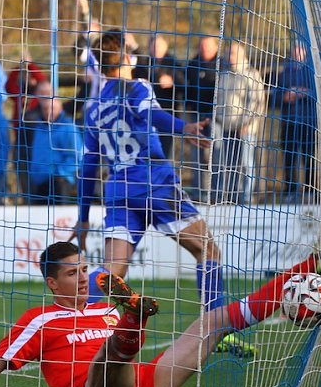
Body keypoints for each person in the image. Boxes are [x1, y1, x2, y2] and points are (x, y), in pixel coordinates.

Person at [0, 241, 321, 387]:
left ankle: (310, 266)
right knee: (111, 351)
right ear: (52, 284)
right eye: (71, 274)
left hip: (147, 386)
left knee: (212, 321)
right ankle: (136, 317)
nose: (81, 278)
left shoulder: (101, 309)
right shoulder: (40, 319)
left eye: (83, 270)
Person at [74, 30, 221, 311]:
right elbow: (150, 114)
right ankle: (216, 327)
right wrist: (183, 127)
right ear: (128, 57)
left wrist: (83, 218)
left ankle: (73, 325)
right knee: (208, 250)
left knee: (110, 273)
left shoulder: (92, 109)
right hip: (154, 181)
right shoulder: (136, 87)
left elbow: (89, 165)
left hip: (119, 190)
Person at [211, 42, 266, 204]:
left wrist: (246, 124)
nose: (231, 57)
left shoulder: (252, 74)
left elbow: (257, 102)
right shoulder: (224, 74)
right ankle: (231, 195)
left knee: (246, 162)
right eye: (229, 54)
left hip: (245, 128)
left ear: (243, 55)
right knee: (228, 163)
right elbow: (218, 99)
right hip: (225, 126)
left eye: (234, 54)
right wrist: (218, 120)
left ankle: (246, 196)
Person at [18, 81, 83, 204]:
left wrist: (59, 173)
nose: (49, 112)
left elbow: (77, 157)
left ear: (60, 108)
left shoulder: (68, 127)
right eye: (46, 109)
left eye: (52, 108)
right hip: (38, 183)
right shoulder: (37, 127)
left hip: (58, 183)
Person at [271, 42, 317, 202]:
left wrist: (305, 93)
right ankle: (290, 191)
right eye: (294, 49)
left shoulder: (312, 71)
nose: (297, 52)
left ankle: (311, 191)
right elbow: (274, 97)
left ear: (305, 52)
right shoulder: (284, 72)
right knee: (289, 158)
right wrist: (285, 97)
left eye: (300, 49)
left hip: (308, 122)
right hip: (288, 122)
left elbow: (320, 95)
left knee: (309, 157)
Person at [132, 34, 183, 158]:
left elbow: (185, 84)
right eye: (153, 45)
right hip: (147, 115)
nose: (156, 48)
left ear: (165, 46)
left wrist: (172, 81)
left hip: (167, 113)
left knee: (165, 152)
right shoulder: (144, 63)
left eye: (159, 45)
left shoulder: (173, 63)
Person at [182, 35, 221, 199]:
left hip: (216, 116)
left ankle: (217, 191)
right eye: (202, 46)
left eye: (208, 46)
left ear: (215, 47)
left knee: (215, 154)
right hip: (196, 115)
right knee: (196, 154)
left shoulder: (222, 64)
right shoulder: (193, 64)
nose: (204, 49)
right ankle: (199, 190)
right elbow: (185, 87)